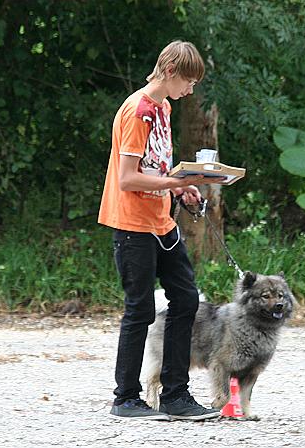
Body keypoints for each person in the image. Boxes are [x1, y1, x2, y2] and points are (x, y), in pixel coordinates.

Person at [98, 40, 224, 421]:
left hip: (162, 221)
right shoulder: (138, 111)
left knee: (186, 300)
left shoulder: (164, 108)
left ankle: (175, 395)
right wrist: (173, 183)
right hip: (132, 225)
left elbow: (156, 168)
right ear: (170, 72)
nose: (191, 90)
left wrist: (180, 185)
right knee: (139, 310)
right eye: (188, 82)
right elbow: (126, 178)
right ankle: (126, 398)